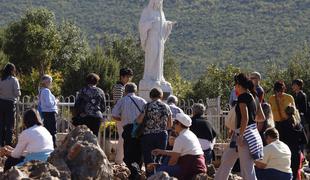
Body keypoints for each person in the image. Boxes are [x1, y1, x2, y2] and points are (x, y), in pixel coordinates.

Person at [215, 73, 263, 180]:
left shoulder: (242, 97)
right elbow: (261, 117)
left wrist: (241, 134)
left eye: (235, 85)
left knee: (247, 169)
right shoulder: (254, 96)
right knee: (227, 161)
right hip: (247, 134)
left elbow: (245, 118)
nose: (235, 87)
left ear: (239, 85)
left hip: (242, 136)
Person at [151, 113, 206, 180]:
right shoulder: (191, 134)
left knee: (160, 170)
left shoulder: (180, 138)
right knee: (167, 159)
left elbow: (173, 161)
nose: (174, 125)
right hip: (198, 165)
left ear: (179, 124)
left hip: (189, 168)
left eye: (175, 122)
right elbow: (178, 153)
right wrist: (162, 152)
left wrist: (161, 166)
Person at [112, 83, 147, 180]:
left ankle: (134, 173)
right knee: (138, 152)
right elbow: (146, 115)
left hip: (128, 128)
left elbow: (114, 115)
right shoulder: (142, 101)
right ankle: (137, 171)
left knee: (128, 153)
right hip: (140, 129)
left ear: (125, 91)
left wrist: (122, 119)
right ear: (135, 90)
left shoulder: (122, 101)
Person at [136, 87, 172, 177]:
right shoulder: (166, 107)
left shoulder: (147, 105)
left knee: (148, 159)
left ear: (151, 96)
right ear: (161, 95)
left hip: (148, 135)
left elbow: (139, 121)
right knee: (159, 158)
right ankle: (160, 176)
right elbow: (169, 125)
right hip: (162, 135)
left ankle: (150, 177)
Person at [112, 67, 133, 165]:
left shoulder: (123, 87)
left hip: (123, 116)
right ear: (122, 77)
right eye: (127, 77)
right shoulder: (118, 87)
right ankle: (119, 159)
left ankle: (121, 158)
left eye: (129, 77)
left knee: (123, 137)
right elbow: (118, 102)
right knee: (122, 137)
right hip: (120, 116)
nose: (128, 79)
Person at [280, 105, 308, 180]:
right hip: (296, 153)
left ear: (285, 113)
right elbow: (305, 140)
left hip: (285, 153)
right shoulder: (299, 126)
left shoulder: (282, 125)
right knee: (295, 175)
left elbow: (280, 140)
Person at [0, 63, 21, 146]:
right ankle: (8, 144)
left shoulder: (1, 79)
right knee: (10, 125)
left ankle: (1, 143)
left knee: (1, 124)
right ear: (12, 70)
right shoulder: (13, 80)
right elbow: (17, 93)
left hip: (1, 102)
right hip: (10, 103)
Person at [38, 75, 58, 147]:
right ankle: (53, 146)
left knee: (48, 130)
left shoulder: (41, 90)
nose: (51, 83)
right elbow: (49, 103)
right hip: (50, 113)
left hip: (45, 112)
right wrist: (55, 101)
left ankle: (47, 145)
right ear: (46, 82)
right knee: (52, 131)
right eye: (50, 81)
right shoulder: (46, 91)